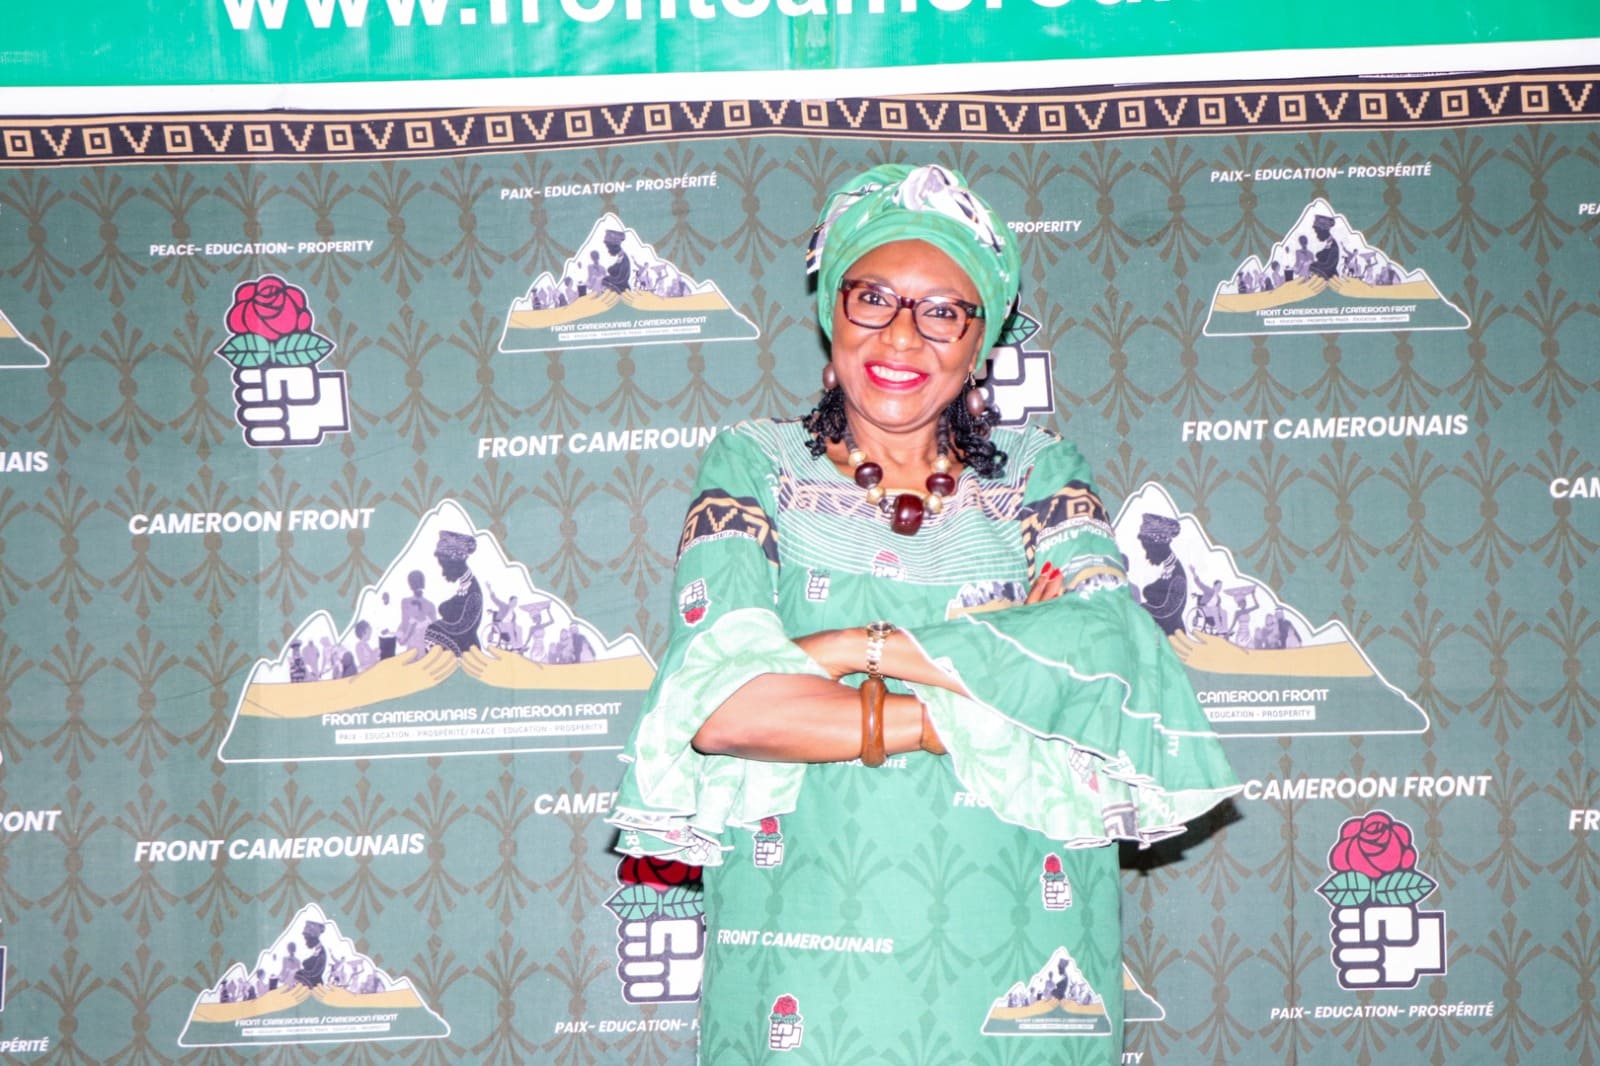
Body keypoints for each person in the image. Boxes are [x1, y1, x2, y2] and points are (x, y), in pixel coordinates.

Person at [610, 164, 1238, 1065]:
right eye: (873, 298)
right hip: (805, 960)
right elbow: (722, 710)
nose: (902, 334)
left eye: (943, 311)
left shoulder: (1038, 473)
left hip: (1020, 949)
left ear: (981, 344)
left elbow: (1107, 661)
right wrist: (980, 697)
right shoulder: (757, 465)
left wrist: (835, 651)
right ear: (831, 312)